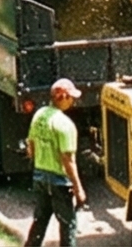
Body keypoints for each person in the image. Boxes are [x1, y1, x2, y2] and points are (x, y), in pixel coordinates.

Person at [25, 76, 86, 245]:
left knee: (39, 222)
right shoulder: (65, 125)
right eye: (71, 96)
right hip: (59, 182)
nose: (73, 100)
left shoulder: (39, 115)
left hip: (40, 177)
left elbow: (31, 145)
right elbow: (68, 159)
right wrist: (78, 188)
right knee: (68, 226)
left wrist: (38, 163)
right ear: (63, 97)